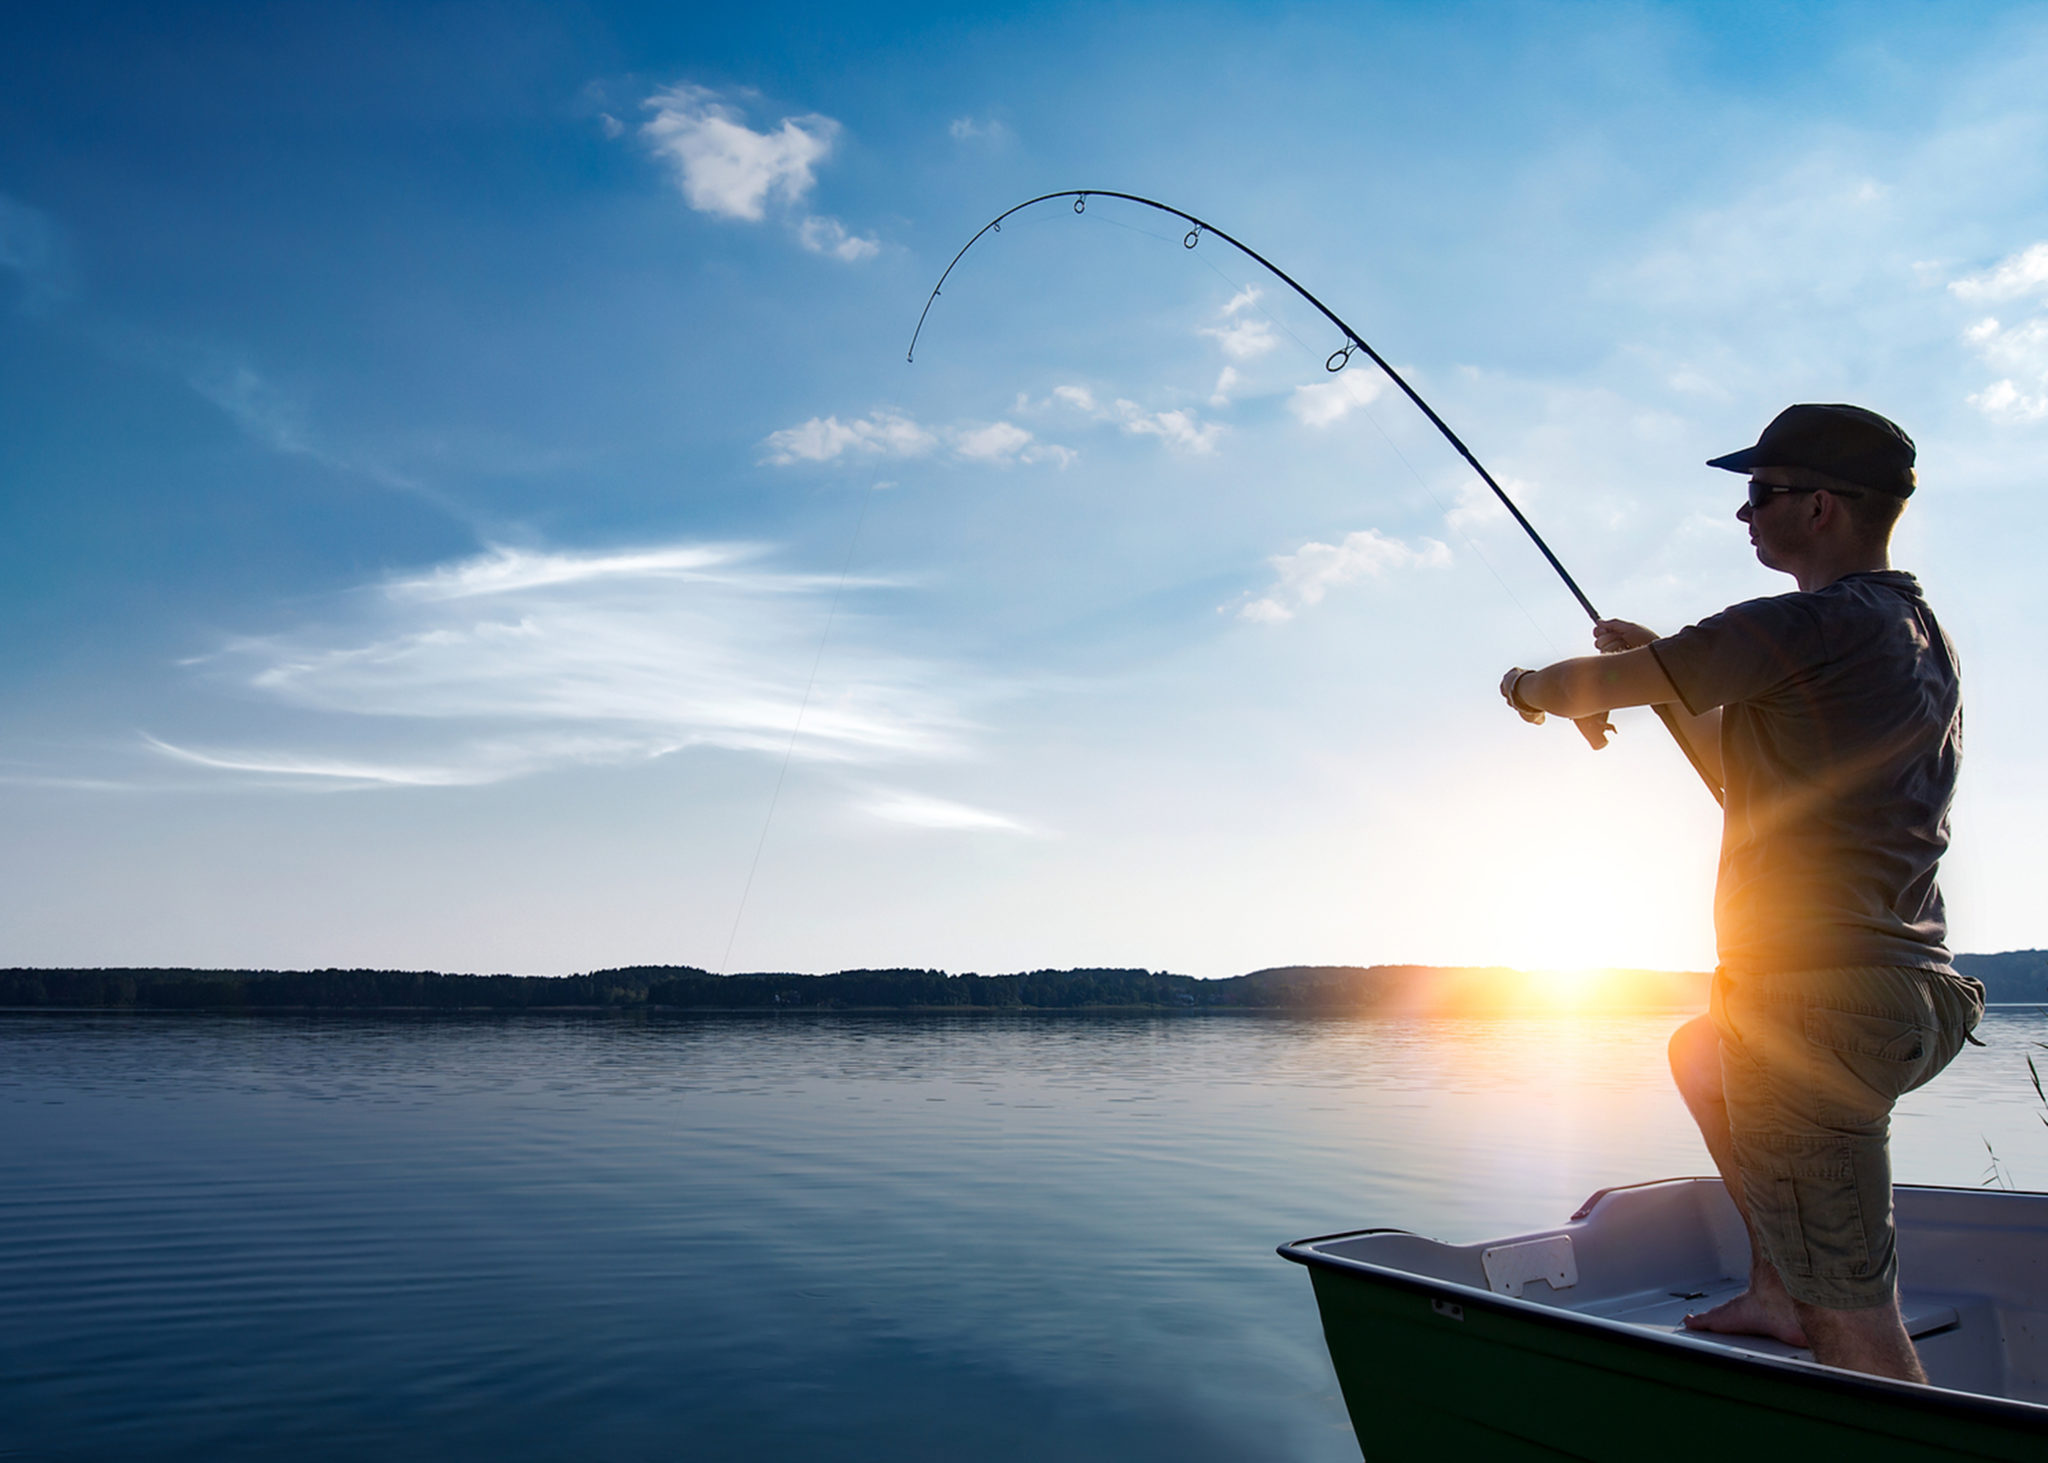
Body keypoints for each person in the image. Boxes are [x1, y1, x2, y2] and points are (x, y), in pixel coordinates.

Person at [1495, 403, 1982, 1383]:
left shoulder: (1802, 623)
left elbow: (1578, 682)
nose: (1742, 515)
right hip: (1909, 996)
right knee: (1707, 1053)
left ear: (1818, 506)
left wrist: (1528, 685)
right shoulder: (1910, 633)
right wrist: (1663, 682)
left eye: (1757, 494)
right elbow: (1737, 771)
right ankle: (1772, 1288)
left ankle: (1849, 1364)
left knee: (1857, 1322)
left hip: (1816, 1002)